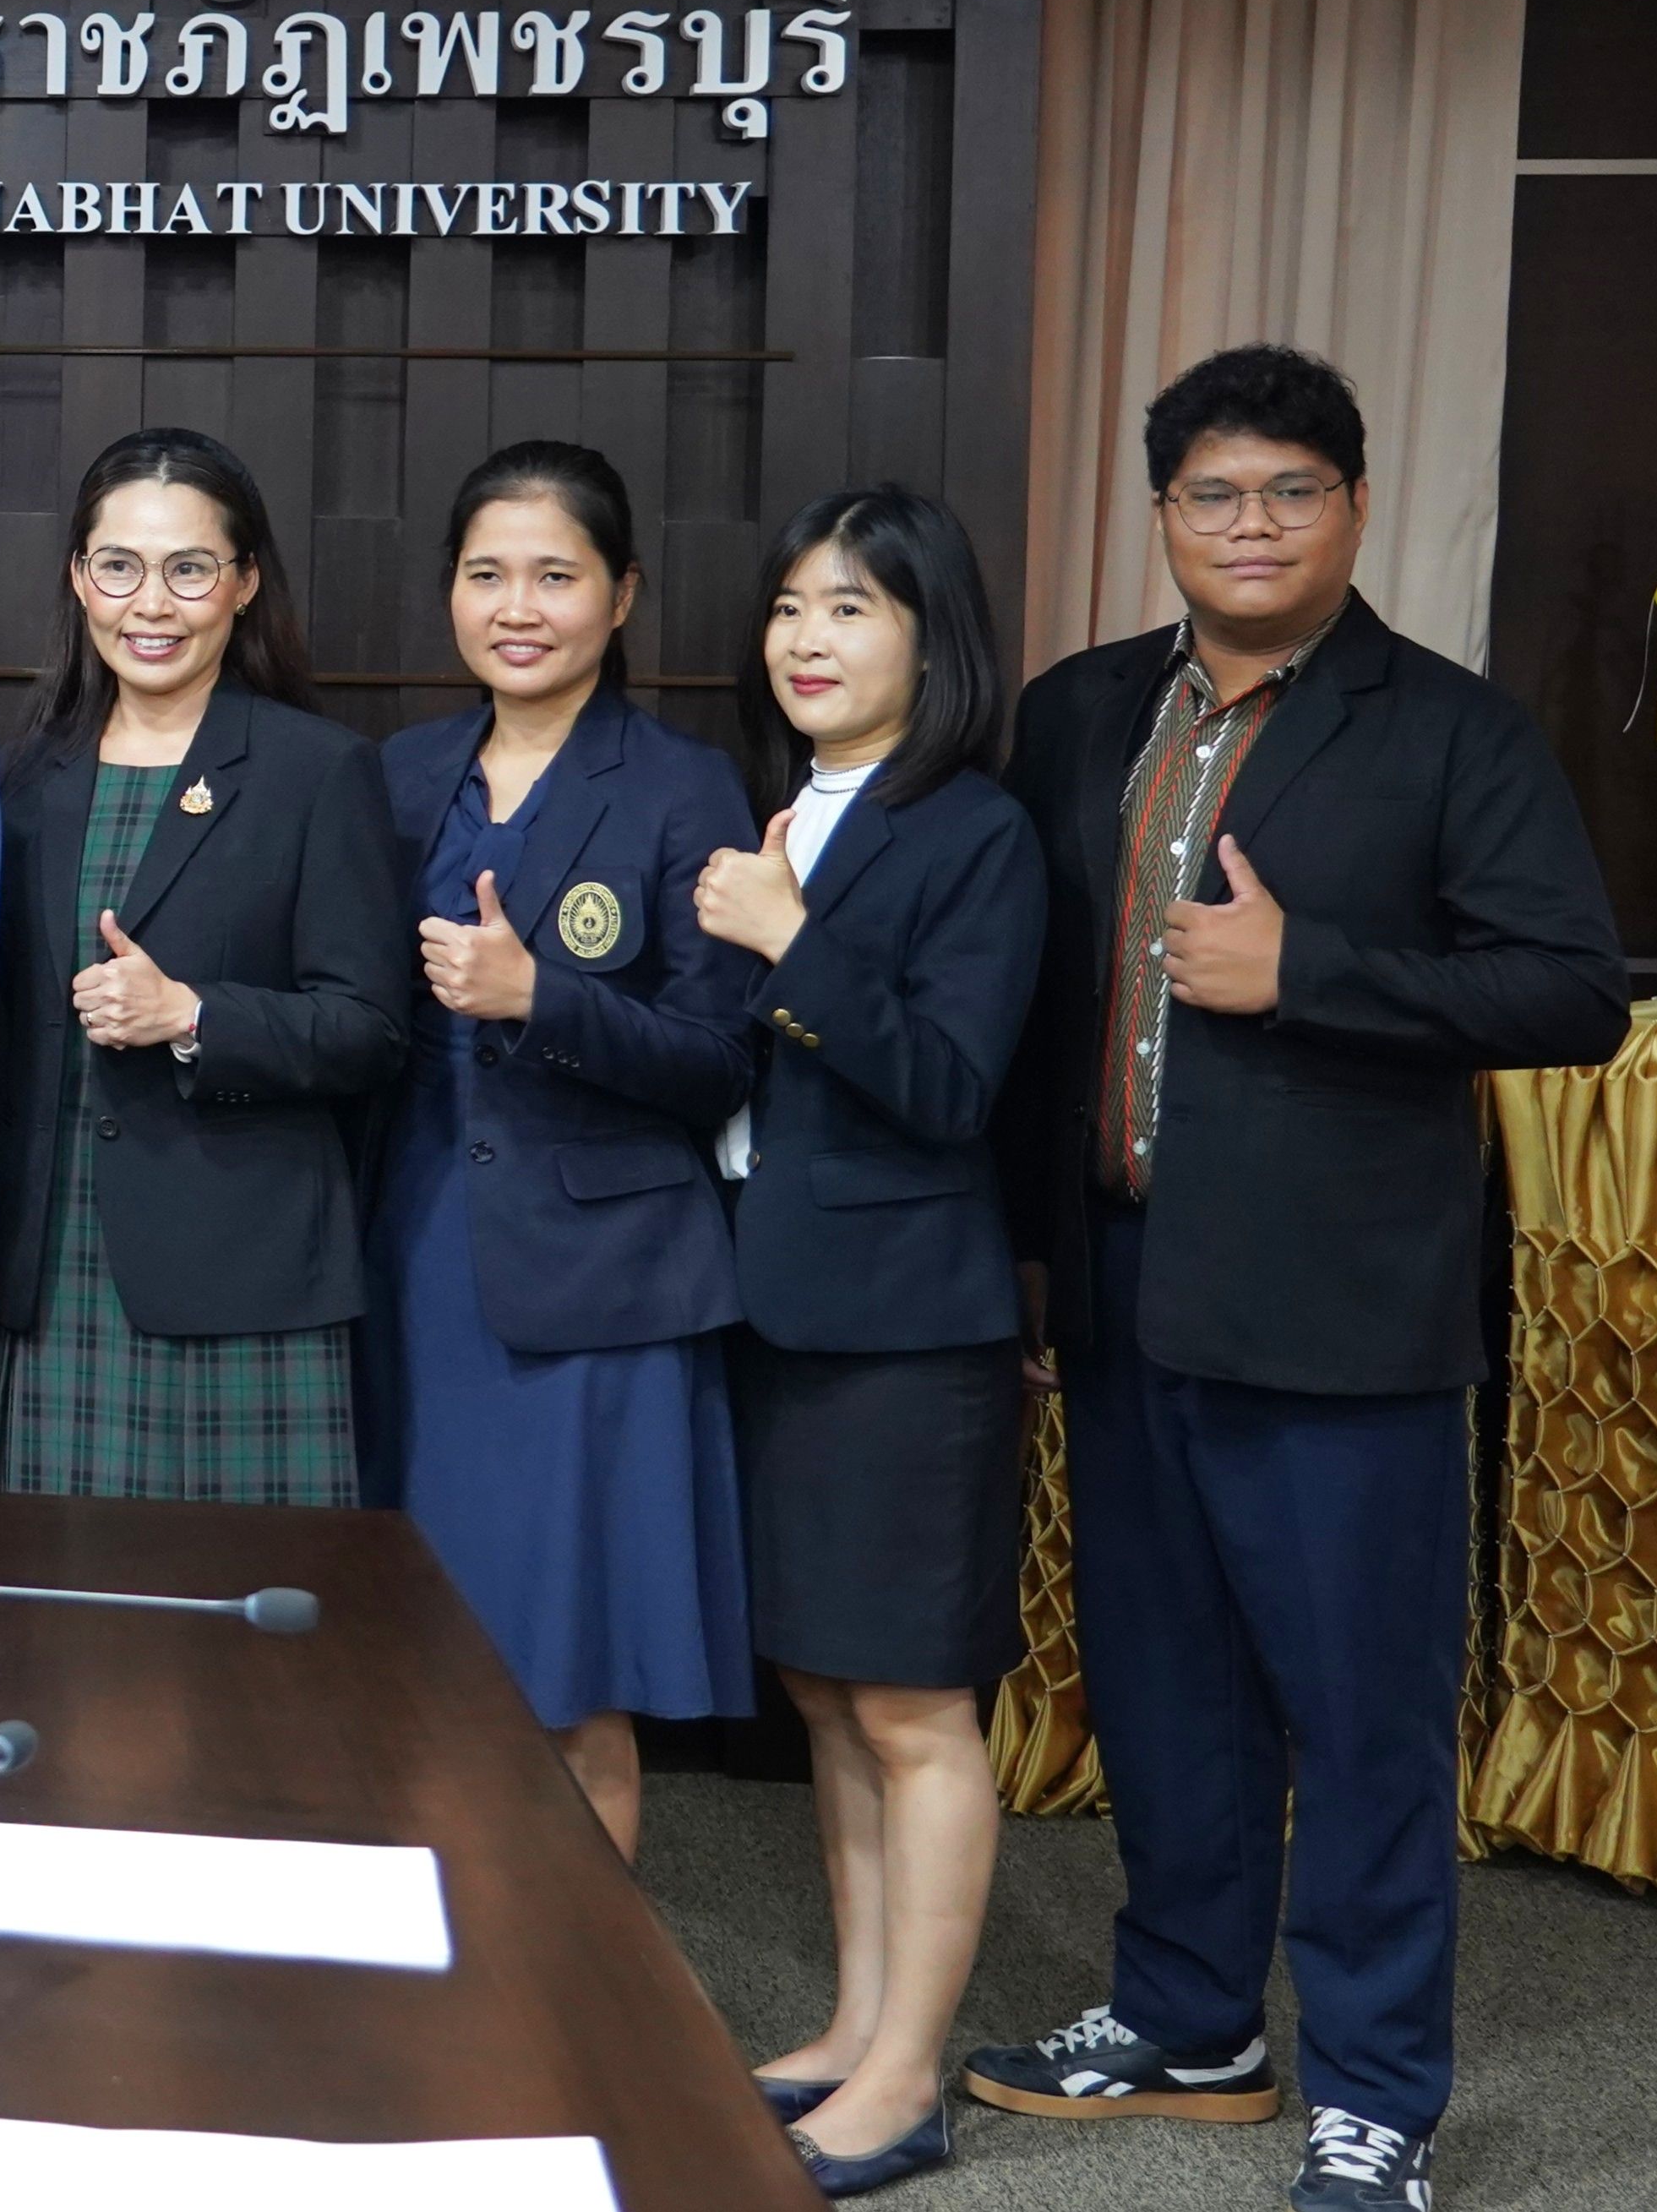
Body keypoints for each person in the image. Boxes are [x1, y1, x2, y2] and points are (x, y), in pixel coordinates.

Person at [962, 347, 1626, 2212]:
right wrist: (1026, 1252)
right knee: (1162, 1689)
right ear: (1160, 513)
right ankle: (1190, 2021)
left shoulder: (1450, 731)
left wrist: (1303, 969)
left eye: (1288, 490)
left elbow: (1570, 990)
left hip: (1340, 1314)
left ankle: (1376, 2093)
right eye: (1211, 492)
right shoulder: (1079, 710)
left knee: (1358, 1719)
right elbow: (1033, 1004)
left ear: (1352, 506)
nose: (1247, 523)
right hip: (1121, 1288)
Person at [685, 487, 1040, 2198]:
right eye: (789, 607)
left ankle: (905, 2079)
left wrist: (787, 939)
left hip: (909, 1323)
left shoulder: (974, 829)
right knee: (826, 1690)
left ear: (928, 634)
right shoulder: (783, 807)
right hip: (778, 1300)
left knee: (909, 1703)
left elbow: (950, 1085)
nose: (807, 639)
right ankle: (850, 2023)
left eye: (850, 607)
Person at [373, 438, 760, 1857]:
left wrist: (543, 997)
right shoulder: (401, 773)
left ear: (621, 593)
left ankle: (571, 1985)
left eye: (554, 574)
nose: (517, 606)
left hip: (596, 1287)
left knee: (567, 1684)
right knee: (413, 1665)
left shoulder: (680, 785)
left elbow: (720, 1057)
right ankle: (437, 1974)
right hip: (413, 1259)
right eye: (487, 574)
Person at [0, 429, 408, 1505]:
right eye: (119, 567)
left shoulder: (317, 771)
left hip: (244, 1279)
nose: (151, 605)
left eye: (190, 569)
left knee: (247, 1612)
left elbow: (370, 1030)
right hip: (52, 1275)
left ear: (245, 582)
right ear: (79, 579)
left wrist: (190, 1015)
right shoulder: (26, 779)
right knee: (61, 1605)